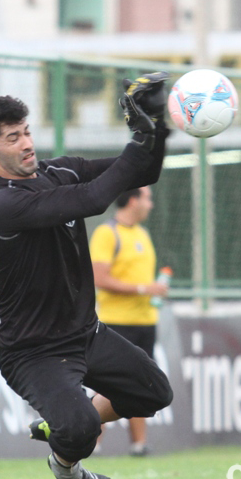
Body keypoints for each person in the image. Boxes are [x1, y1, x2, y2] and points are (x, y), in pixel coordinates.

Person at [0, 78, 173, 479]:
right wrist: (139, 134)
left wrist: (158, 123)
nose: (27, 143)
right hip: (33, 350)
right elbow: (94, 200)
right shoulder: (1, 203)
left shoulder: (56, 171)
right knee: (79, 431)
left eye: (26, 131)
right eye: (13, 138)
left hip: (85, 333)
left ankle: (64, 421)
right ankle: (68, 469)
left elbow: (141, 170)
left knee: (154, 393)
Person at [89, 186, 168, 457]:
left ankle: (139, 445)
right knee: (108, 384)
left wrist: (153, 289)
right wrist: (144, 289)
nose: (151, 204)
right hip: (116, 322)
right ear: (133, 200)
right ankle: (90, 443)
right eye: (147, 198)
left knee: (142, 382)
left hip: (145, 321)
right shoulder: (106, 233)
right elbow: (99, 278)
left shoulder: (142, 234)